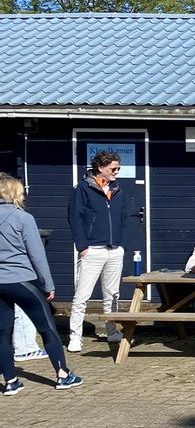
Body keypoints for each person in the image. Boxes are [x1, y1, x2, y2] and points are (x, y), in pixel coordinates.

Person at [0, 174, 81, 395]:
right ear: (14, 192)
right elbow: (37, 255)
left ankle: (10, 381)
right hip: (22, 281)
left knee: (3, 333)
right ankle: (63, 375)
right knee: (47, 328)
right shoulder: (23, 218)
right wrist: (48, 285)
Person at [66, 150, 126, 352]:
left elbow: (123, 217)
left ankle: (112, 331)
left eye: (118, 168)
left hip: (114, 249)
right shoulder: (83, 189)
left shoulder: (117, 189)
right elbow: (75, 217)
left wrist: (121, 242)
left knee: (112, 294)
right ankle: (75, 336)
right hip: (92, 249)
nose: (116, 172)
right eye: (113, 168)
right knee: (82, 295)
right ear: (100, 168)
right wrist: (82, 247)